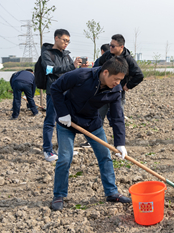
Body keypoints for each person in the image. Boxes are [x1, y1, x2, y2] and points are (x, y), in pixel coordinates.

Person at [49, 56, 131, 211]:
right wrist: (62, 113)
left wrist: (120, 143)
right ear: (105, 72)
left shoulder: (115, 90)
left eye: (121, 80)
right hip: (68, 121)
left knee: (105, 156)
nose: (118, 83)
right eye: (116, 79)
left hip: (91, 123)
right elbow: (55, 88)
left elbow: (117, 117)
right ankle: (59, 195)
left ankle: (112, 192)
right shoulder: (81, 75)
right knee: (65, 158)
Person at [41, 29, 86, 162]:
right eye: (64, 40)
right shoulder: (47, 54)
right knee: (50, 121)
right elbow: (49, 70)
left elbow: (69, 73)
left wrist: (78, 68)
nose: (66, 43)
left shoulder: (66, 55)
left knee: (67, 121)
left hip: (67, 92)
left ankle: (65, 148)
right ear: (56, 38)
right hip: (54, 92)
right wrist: (71, 66)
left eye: (68, 41)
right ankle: (47, 150)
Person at [95, 34, 144, 119]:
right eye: (110, 45)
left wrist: (128, 85)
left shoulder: (128, 59)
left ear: (121, 47)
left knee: (117, 119)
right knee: (98, 117)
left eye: (113, 46)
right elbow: (97, 66)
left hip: (117, 94)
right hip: (103, 92)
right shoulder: (107, 55)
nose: (110, 47)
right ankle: (96, 132)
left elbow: (139, 75)